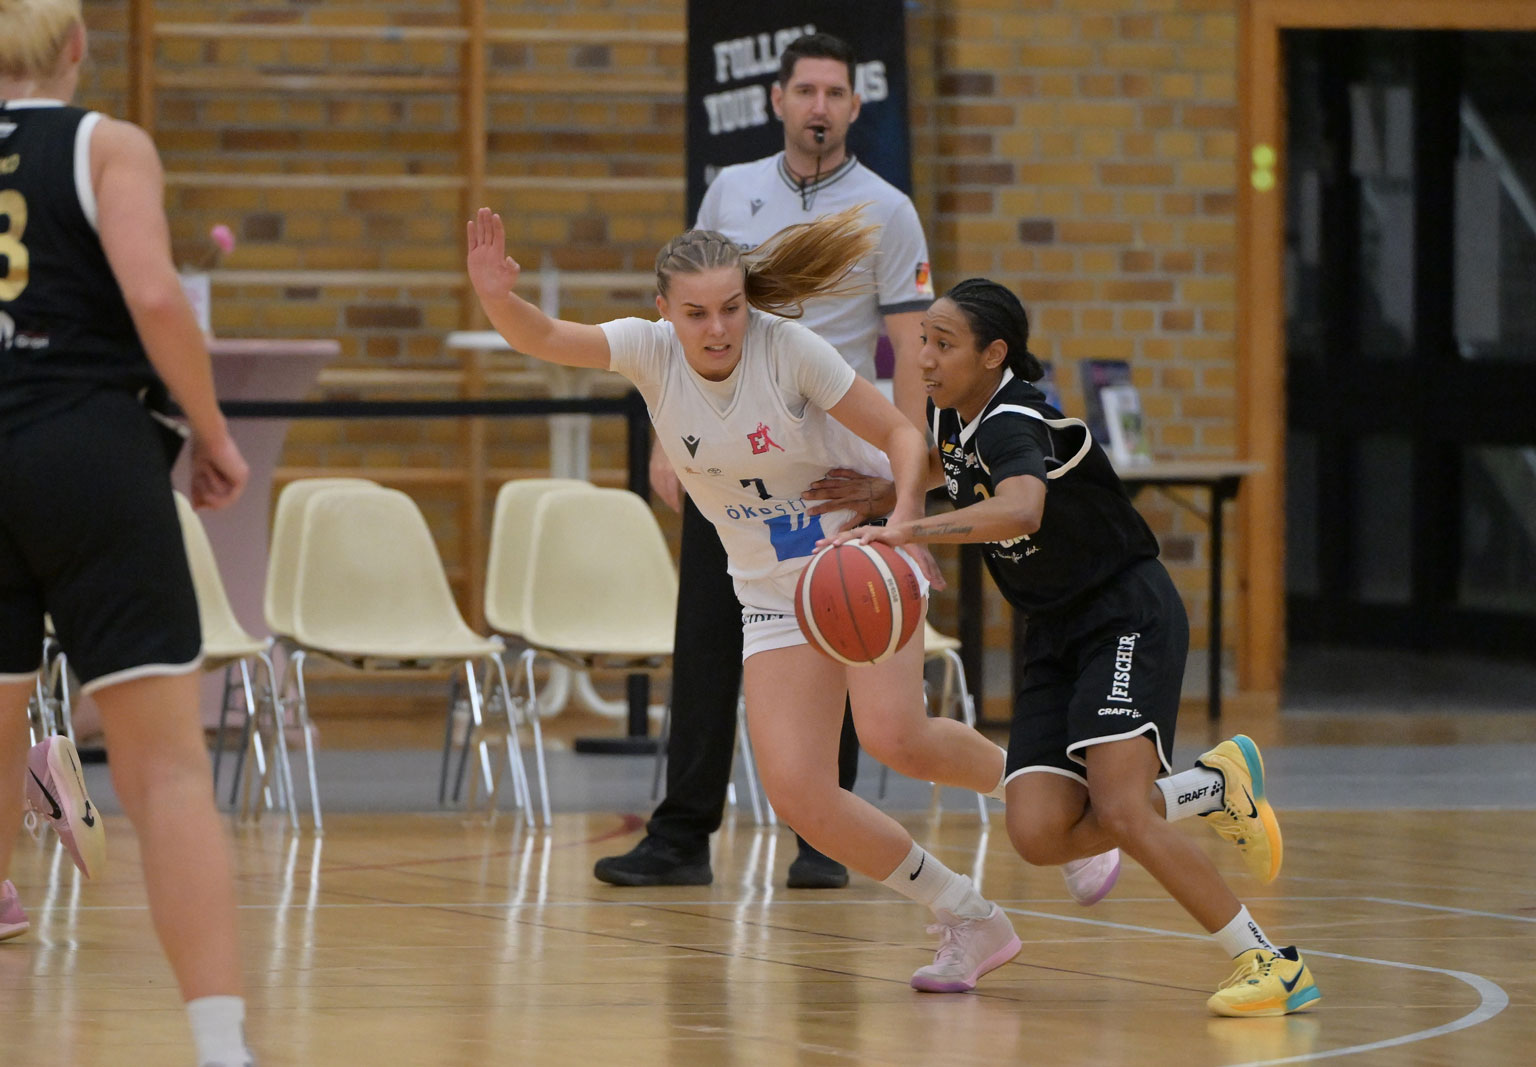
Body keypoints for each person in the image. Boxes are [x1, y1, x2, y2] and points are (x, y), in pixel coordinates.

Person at [467, 205, 1018, 992]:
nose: (717, 327)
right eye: (696, 312)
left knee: (898, 736)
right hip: (767, 590)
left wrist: (900, 527)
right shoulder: (651, 352)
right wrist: (496, 297)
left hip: (853, 562)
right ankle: (967, 913)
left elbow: (904, 438)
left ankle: (1054, 794)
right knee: (798, 790)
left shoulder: (787, 349)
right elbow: (547, 336)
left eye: (731, 307)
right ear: (665, 310)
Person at [812, 277, 1321, 1017]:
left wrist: (907, 531)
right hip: (1053, 632)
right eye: (922, 339)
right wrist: (878, 490)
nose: (923, 357)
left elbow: (1021, 505)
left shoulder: (1014, 418)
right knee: (1039, 829)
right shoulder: (955, 414)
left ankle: (1269, 960)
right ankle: (1212, 786)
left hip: (1123, 615)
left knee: (1118, 807)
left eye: (942, 343)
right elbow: (948, 470)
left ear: (995, 354)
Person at [596, 32, 937, 891]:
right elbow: (682, 329)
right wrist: (668, 444)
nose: (820, 105)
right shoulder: (732, 189)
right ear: (778, 100)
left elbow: (911, 351)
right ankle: (680, 834)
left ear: (857, 108)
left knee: (845, 631)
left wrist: (904, 481)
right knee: (707, 640)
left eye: (836, 91)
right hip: (729, 459)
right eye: (806, 90)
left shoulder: (888, 210)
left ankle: (827, 836)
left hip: (832, 468)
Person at [0, 4, 256, 1063]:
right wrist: (210, 429)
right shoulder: (105, 142)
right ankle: (220, 1045)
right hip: (85, 450)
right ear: (76, 49)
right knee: (163, 771)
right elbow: (153, 289)